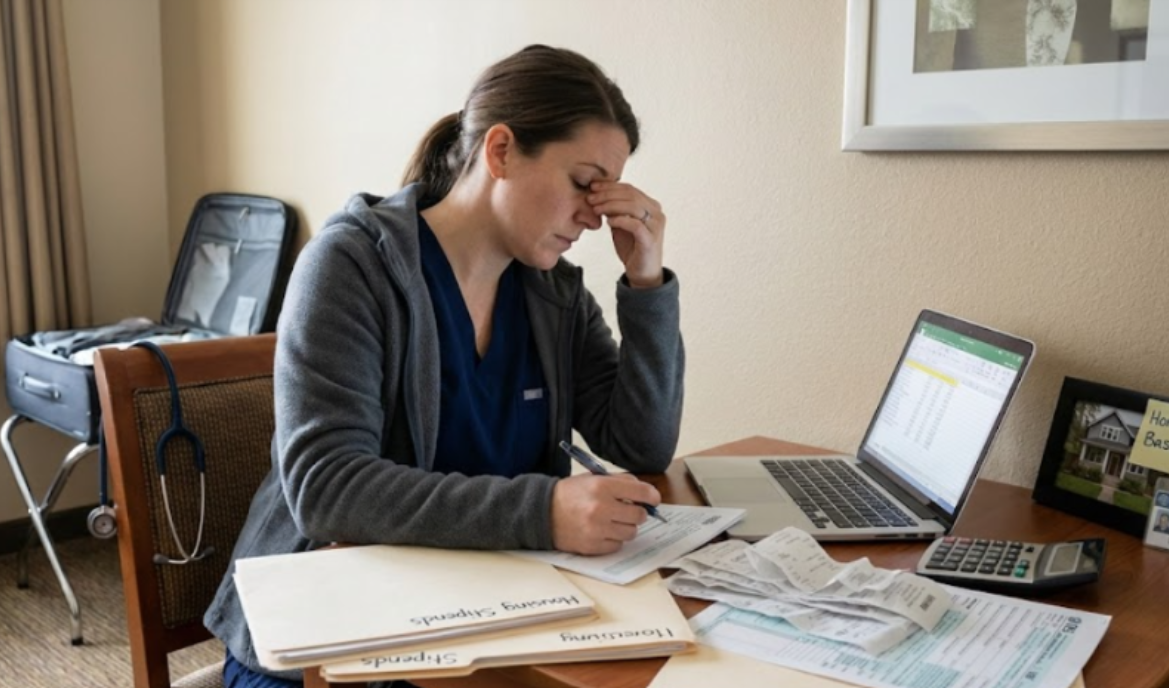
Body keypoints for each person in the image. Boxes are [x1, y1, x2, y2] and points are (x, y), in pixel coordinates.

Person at [206, 44, 685, 687]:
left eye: (605, 193)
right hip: (325, 648)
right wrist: (543, 510)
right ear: (501, 151)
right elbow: (327, 488)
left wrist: (647, 283)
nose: (595, 217)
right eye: (582, 182)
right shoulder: (351, 267)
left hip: (478, 627)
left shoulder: (553, 295)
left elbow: (642, 442)